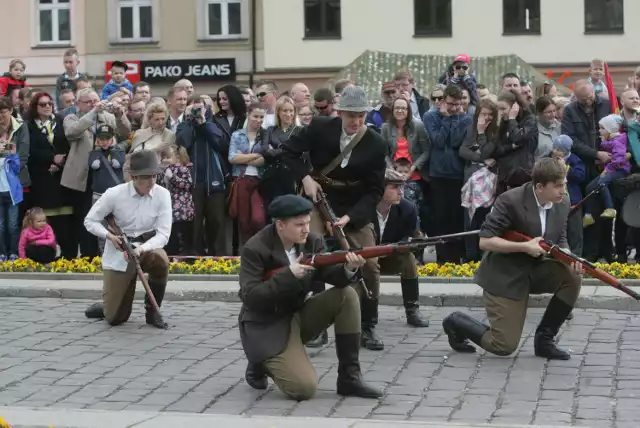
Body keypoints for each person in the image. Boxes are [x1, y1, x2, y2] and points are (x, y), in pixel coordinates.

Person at [239, 194, 382, 401]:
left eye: (307, 222)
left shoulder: (312, 241)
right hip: (266, 326)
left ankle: (350, 378)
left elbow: (330, 275)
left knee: (347, 295)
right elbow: (251, 297)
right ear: (280, 224)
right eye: (299, 225)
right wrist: (288, 275)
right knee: (303, 388)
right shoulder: (255, 248)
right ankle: (260, 361)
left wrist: (349, 268)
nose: (306, 229)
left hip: (297, 314)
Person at [280, 86, 388, 351]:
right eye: (351, 115)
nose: (356, 121)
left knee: (370, 263)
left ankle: (369, 325)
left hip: (355, 204)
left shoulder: (376, 142)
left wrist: (350, 218)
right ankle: (317, 323)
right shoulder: (319, 127)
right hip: (319, 198)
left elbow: (375, 190)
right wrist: (305, 178)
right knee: (314, 252)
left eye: (361, 115)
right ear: (339, 112)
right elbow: (287, 151)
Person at [442, 158, 582, 360]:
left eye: (565, 184)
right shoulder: (510, 200)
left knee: (572, 276)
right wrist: (524, 247)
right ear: (540, 187)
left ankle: (545, 341)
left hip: (535, 269)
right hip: (504, 275)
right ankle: (456, 322)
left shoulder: (562, 202)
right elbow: (485, 240)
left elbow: (560, 236)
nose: (563, 190)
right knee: (503, 345)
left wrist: (568, 254)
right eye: (558, 186)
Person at [83, 150, 172, 329]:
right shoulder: (114, 193)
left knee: (161, 260)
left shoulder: (163, 194)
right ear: (133, 177)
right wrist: (110, 236)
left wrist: (141, 249)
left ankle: (153, 311)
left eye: (154, 176)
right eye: (146, 177)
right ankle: (108, 306)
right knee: (116, 318)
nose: (152, 181)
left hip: (146, 248)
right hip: (119, 252)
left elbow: (163, 234)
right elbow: (90, 221)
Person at [375, 169, 429, 327]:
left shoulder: (408, 208)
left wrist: (407, 244)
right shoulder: (364, 207)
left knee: (408, 259)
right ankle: (367, 313)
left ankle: (412, 310)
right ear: (379, 188)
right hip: (364, 259)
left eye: (402, 187)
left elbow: (414, 237)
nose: (401, 192)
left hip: (392, 255)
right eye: (394, 187)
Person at [583, 114, 630, 226]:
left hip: (620, 170)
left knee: (602, 182)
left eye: (602, 128)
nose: (599, 131)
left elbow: (618, 160)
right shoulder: (609, 140)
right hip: (612, 169)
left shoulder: (618, 142)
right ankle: (588, 215)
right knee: (589, 187)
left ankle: (610, 208)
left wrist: (607, 169)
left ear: (610, 129)